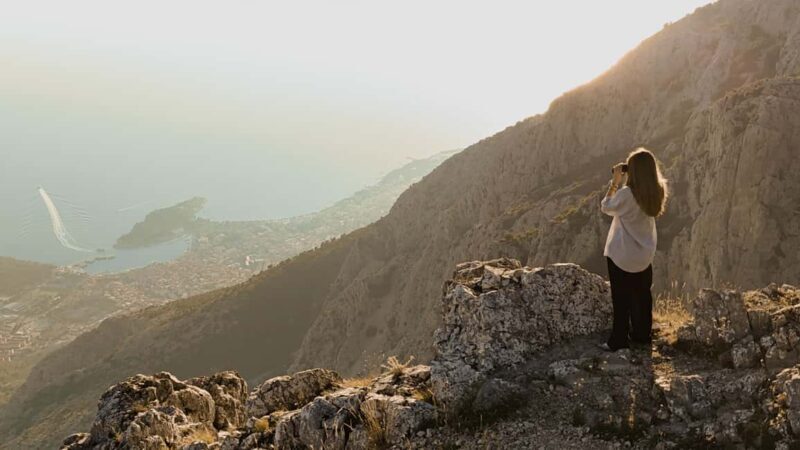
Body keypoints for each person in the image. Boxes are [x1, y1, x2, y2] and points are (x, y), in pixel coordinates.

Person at [598, 147, 668, 351]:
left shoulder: (627, 194)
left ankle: (618, 340)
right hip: (644, 254)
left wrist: (615, 182)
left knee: (621, 299)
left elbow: (606, 206)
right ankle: (642, 335)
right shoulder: (658, 190)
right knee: (642, 295)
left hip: (622, 255)